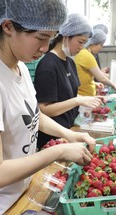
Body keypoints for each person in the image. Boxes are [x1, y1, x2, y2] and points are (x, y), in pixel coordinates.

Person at [0, 1, 96, 215]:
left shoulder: (19, 67)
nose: (45, 48)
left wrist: (68, 134)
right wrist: (58, 151)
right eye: (41, 38)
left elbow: (32, 114)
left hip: (19, 196)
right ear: (8, 27)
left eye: (51, 39)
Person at [34, 13, 104, 149]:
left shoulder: (69, 63)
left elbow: (68, 95)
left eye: (84, 43)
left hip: (68, 131)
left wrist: (87, 100)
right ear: (65, 36)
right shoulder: (48, 66)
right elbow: (44, 110)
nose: (81, 47)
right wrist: (78, 101)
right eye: (80, 42)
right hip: (52, 138)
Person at [75, 28, 116, 96]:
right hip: (84, 96)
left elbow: (82, 76)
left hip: (84, 95)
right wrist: (114, 85)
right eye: (101, 45)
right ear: (94, 43)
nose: (101, 48)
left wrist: (94, 83)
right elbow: (101, 78)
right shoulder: (86, 55)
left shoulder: (83, 53)